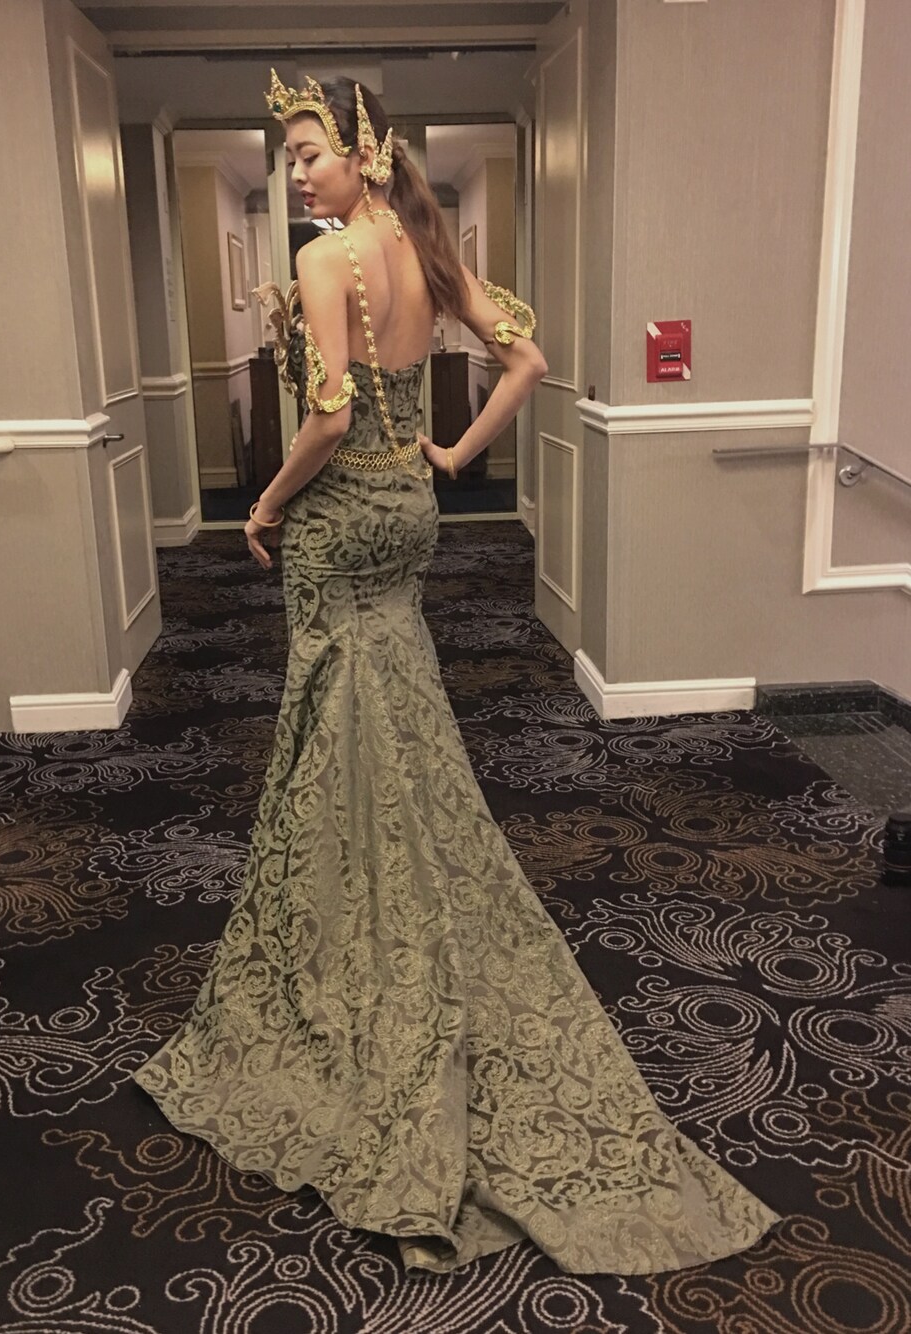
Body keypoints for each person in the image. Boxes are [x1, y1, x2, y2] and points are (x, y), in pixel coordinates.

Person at [133, 70, 781, 1275]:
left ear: (365, 151)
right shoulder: (424, 252)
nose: (298, 170)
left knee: (335, 704)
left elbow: (327, 418)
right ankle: (400, 857)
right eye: (290, 154)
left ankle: (360, 900)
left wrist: (261, 508)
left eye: (311, 150)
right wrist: (454, 451)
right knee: (392, 698)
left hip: (339, 511)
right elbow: (526, 360)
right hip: (410, 513)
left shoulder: (328, 260)